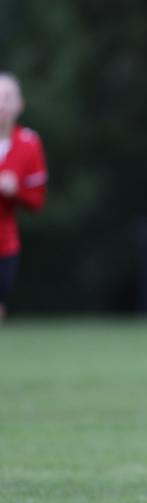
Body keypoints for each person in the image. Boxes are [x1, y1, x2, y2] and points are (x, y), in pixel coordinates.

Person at [0, 73, 47, 322]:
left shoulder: (29, 143)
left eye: (7, 97)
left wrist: (14, 190)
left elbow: (37, 202)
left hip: (5, 245)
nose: (1, 104)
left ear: (20, 105)